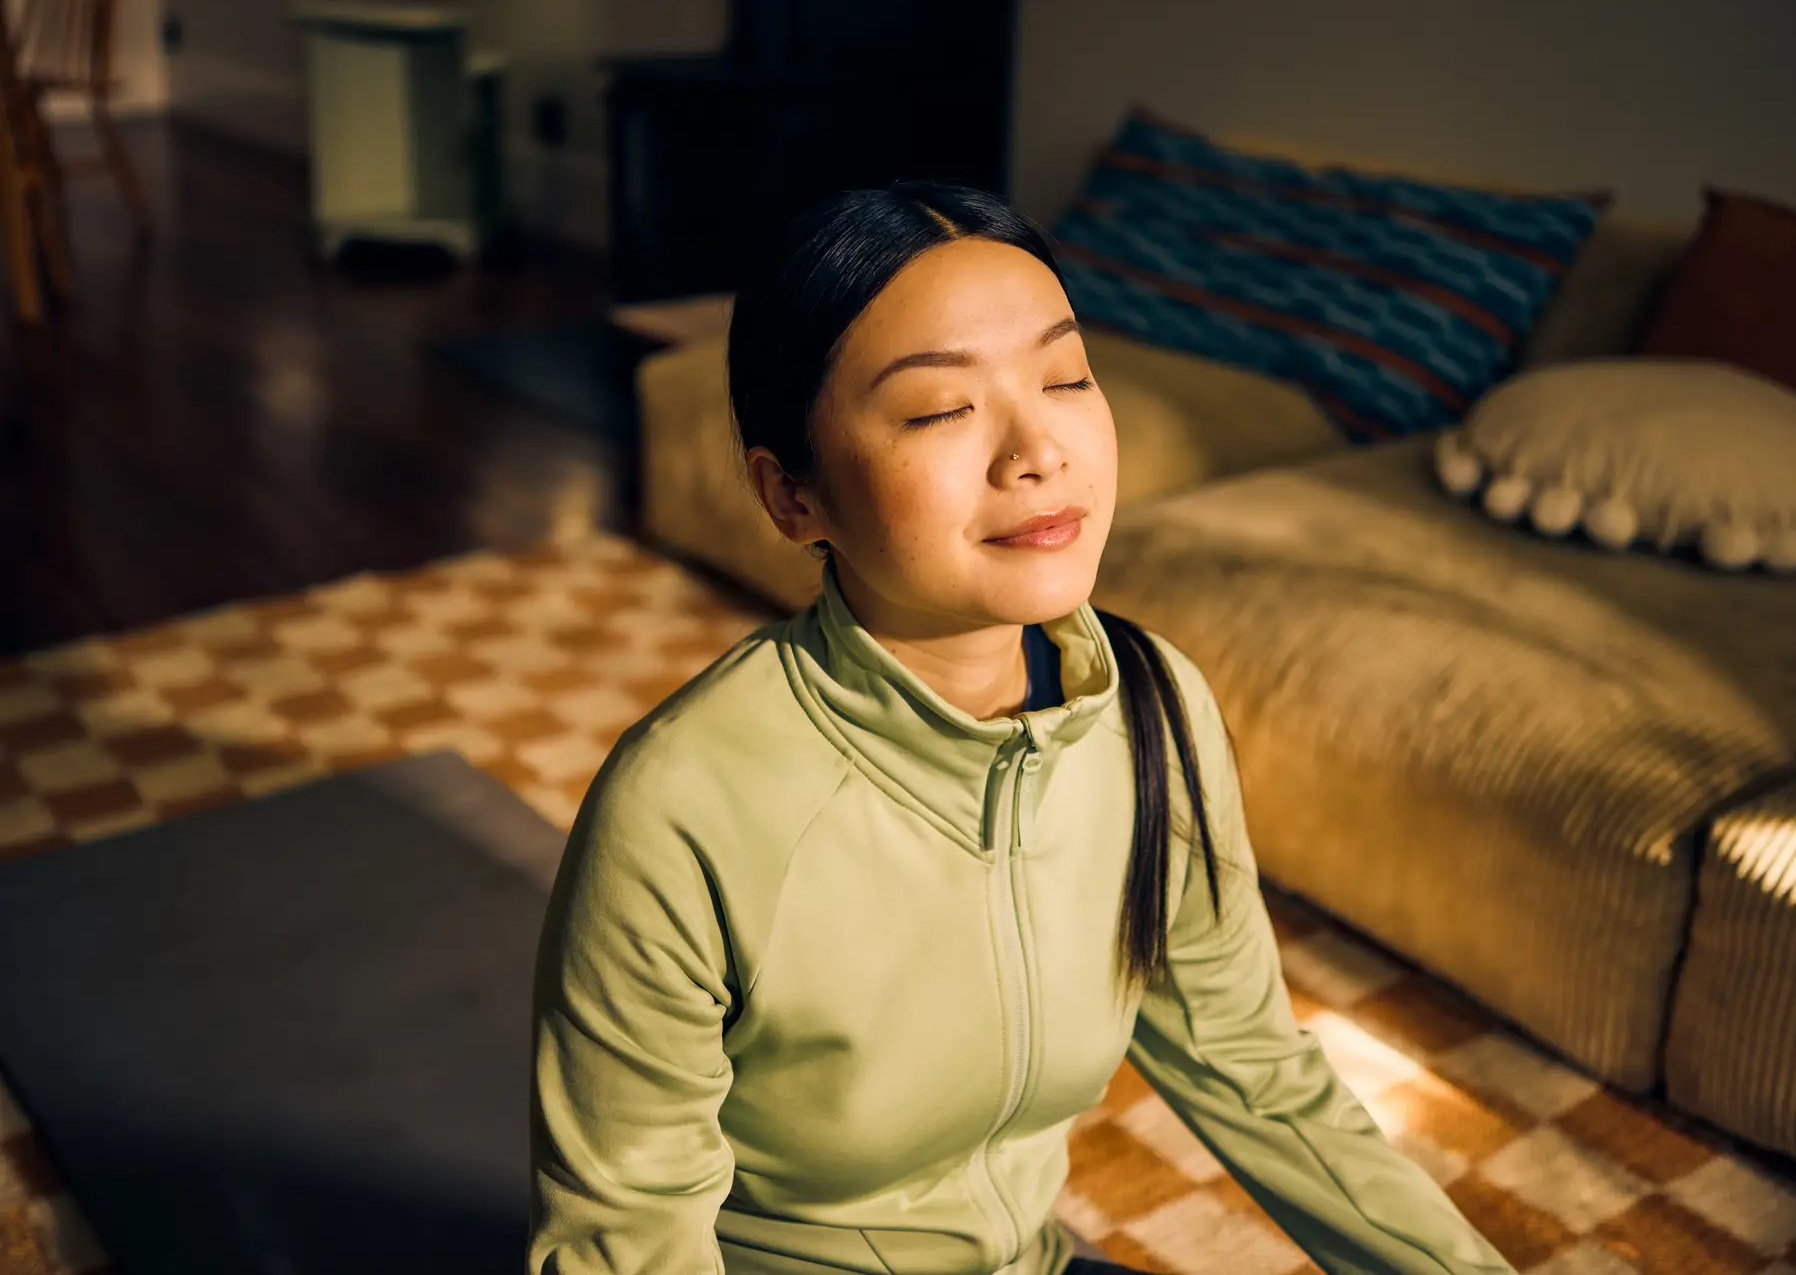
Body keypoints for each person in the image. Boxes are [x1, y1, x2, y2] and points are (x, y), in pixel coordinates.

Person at [528, 181, 1515, 1275]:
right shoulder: (681, 807)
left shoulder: (1153, 709)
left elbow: (1254, 1071)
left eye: (1066, 377)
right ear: (792, 496)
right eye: (938, 409)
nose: (1036, 450)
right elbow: (629, 1235)